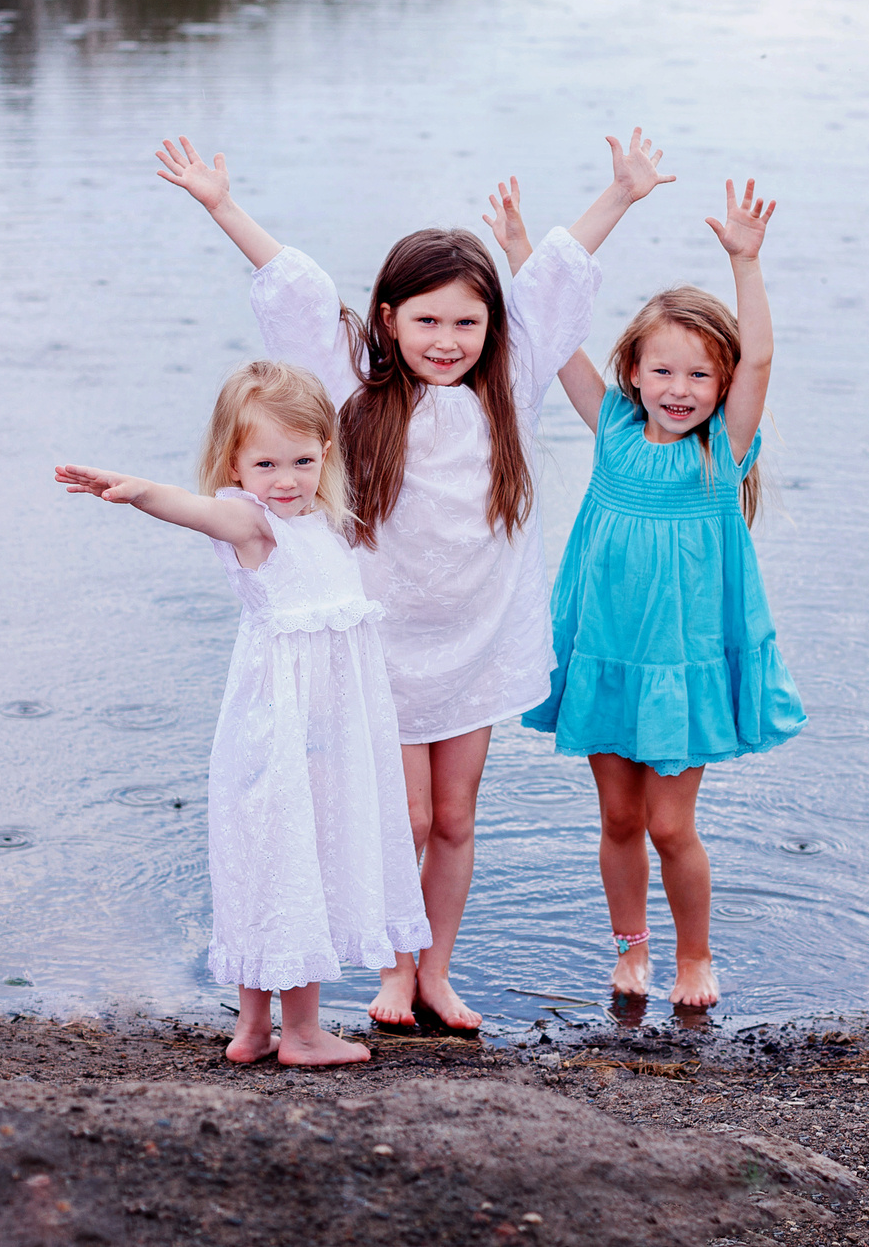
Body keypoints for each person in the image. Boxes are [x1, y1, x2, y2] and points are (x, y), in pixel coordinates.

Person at [155, 131, 670, 1035]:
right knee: (412, 817)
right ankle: (395, 974)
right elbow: (302, 298)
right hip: (382, 642)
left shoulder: (509, 381)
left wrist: (619, 196)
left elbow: (555, 275)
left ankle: (436, 972)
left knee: (460, 818)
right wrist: (223, 206)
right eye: (426, 319)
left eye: (466, 322)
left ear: (491, 330)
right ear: (388, 318)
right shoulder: (354, 387)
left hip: (477, 634)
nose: (447, 340)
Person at [55, 361, 427, 1067]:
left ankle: (255, 1032)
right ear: (233, 463)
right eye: (265, 463)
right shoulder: (251, 522)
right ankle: (304, 1035)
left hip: (311, 739)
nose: (285, 479)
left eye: (302, 460)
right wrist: (138, 493)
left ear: (325, 453)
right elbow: (198, 511)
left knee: (274, 862)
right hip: (281, 739)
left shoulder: (320, 523)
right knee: (291, 862)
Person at [508, 177, 804, 1012]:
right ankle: (631, 948)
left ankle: (696, 957)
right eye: (662, 369)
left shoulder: (724, 449)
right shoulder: (608, 424)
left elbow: (765, 357)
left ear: (722, 383)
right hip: (605, 651)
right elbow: (549, 330)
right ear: (632, 372)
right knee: (618, 821)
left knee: (672, 825)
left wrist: (745, 261)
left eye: (699, 374)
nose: (679, 387)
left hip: (684, 661)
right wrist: (529, 259)